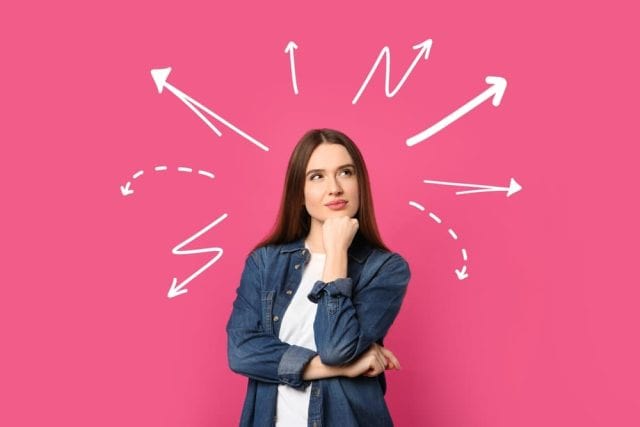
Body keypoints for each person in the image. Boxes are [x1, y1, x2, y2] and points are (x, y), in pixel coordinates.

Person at [226, 128, 411, 426]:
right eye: (317, 176)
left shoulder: (385, 269)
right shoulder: (265, 263)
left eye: (345, 173)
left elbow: (336, 347)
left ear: (359, 183)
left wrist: (336, 251)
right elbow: (241, 353)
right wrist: (340, 368)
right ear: (300, 193)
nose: (334, 187)